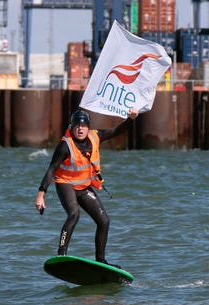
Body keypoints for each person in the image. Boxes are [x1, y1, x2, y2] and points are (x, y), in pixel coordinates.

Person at [35, 108, 139, 267]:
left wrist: (131, 119)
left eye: (83, 126)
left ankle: (101, 261)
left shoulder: (95, 136)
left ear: (88, 127)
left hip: (83, 187)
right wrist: (41, 194)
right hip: (65, 183)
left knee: (104, 221)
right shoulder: (65, 146)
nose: (80, 129)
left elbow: (117, 130)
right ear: (72, 127)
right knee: (74, 214)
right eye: (76, 126)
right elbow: (51, 169)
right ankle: (61, 254)